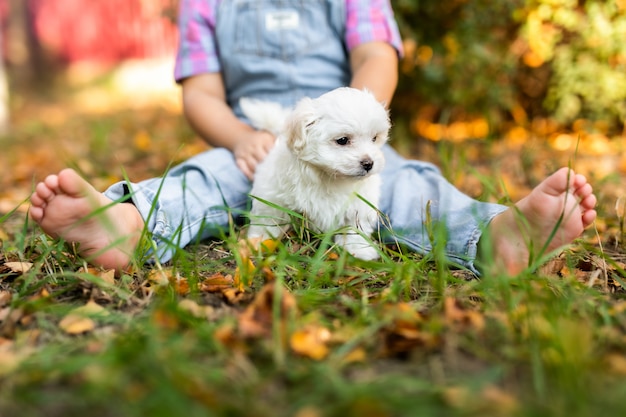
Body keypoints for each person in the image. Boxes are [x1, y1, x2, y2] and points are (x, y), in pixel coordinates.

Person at [28, 0, 597, 276]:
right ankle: (130, 223)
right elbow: (200, 94)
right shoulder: (205, 4)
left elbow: (376, 54)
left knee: (405, 183)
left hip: (345, 131)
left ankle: (494, 237)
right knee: (202, 179)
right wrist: (239, 137)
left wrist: (359, 122)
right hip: (250, 139)